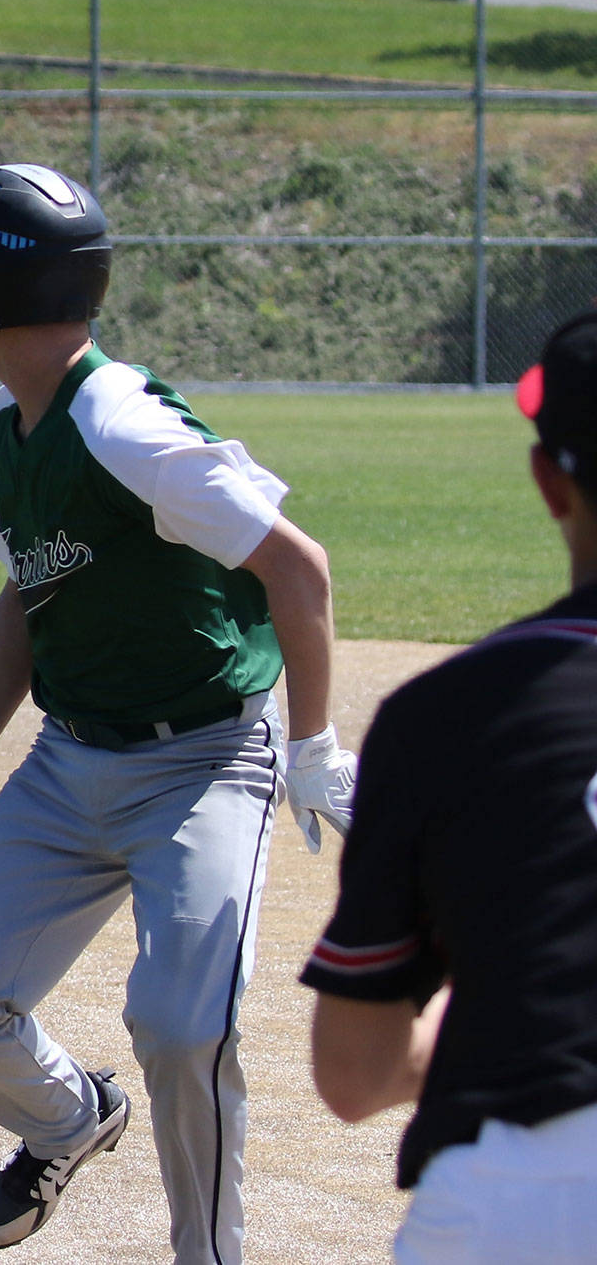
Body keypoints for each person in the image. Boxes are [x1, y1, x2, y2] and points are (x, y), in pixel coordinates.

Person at [0, 163, 356, 1264]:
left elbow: (297, 568)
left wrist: (312, 746)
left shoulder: (117, 419)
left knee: (182, 1027)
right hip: (68, 764)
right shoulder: (6, 433)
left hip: (199, 766)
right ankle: (65, 1118)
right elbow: (27, 586)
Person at [302, 310, 597, 1263]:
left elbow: (356, 1073)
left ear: (548, 479)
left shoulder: (448, 715)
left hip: (523, 1200)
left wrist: (509, 1003)